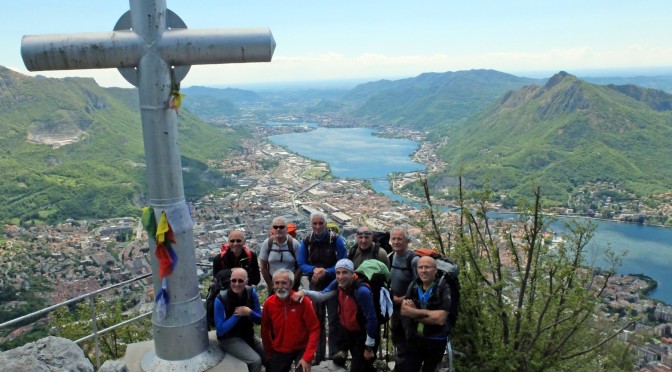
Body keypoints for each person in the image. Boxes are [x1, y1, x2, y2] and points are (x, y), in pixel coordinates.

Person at [294, 259, 378, 372]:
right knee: (362, 366)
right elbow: (321, 295)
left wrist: (369, 347)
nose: (340, 276)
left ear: (352, 273)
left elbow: (372, 320)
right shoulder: (339, 285)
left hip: (363, 336)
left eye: (345, 272)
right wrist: (304, 292)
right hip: (349, 334)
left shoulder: (362, 291)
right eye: (338, 273)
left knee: (359, 367)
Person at [298, 212, 347, 364]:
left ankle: (333, 355)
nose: (317, 226)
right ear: (311, 224)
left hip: (333, 283)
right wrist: (314, 270)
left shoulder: (335, 239)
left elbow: (343, 261)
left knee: (334, 319)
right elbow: (301, 262)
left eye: (320, 223)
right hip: (316, 283)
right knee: (316, 320)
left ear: (325, 224)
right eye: (315, 223)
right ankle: (318, 356)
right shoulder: (307, 241)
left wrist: (325, 271)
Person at [261, 269, 320, 372]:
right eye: (277, 283)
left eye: (284, 283)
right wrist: (269, 352)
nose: (280, 287)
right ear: (273, 285)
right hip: (280, 349)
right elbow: (265, 330)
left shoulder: (303, 302)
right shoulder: (269, 304)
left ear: (291, 284)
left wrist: (308, 357)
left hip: (302, 348)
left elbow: (314, 329)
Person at [400, 256, 451, 372]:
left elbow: (440, 319)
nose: (423, 270)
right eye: (420, 267)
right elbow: (404, 310)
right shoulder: (413, 285)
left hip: (436, 339)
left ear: (435, 270)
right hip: (415, 338)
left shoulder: (443, 287)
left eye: (427, 267)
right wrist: (429, 315)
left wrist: (415, 314)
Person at [214, 268, 265, 372]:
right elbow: (220, 330)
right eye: (233, 280)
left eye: (240, 281)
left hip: (247, 334)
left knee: (268, 356)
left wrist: (249, 312)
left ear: (246, 281)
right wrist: (237, 315)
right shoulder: (221, 299)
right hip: (229, 339)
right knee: (256, 361)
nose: (236, 284)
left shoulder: (251, 293)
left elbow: (260, 320)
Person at [388, 226, 420, 371]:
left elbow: (419, 285)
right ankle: (400, 366)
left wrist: (403, 299)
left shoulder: (413, 260)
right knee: (397, 337)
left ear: (407, 241)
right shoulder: (392, 256)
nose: (396, 242)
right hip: (395, 306)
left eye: (399, 239)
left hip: (408, 306)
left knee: (410, 339)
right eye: (393, 238)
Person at [259, 217, 302, 292]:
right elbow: (263, 266)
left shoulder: (294, 244)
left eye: (281, 227)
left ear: (286, 229)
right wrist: (270, 284)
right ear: (272, 229)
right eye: (275, 227)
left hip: (291, 283)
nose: (278, 229)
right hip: (274, 283)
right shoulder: (267, 244)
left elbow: (301, 265)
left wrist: (293, 282)